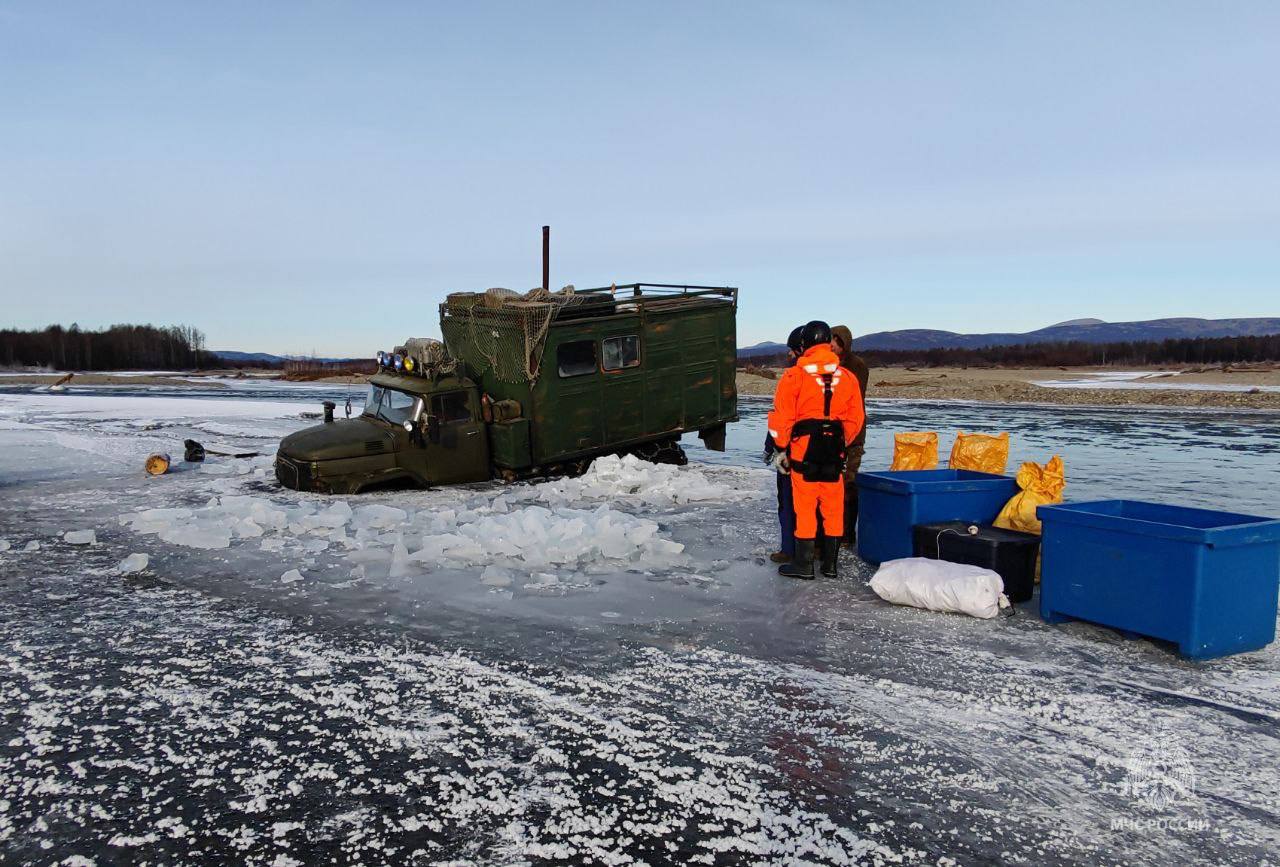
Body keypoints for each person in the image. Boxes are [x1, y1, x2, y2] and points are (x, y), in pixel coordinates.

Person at [767, 320, 865, 579]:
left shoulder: (793, 377)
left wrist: (781, 449)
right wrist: (840, 442)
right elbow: (856, 419)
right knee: (833, 507)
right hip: (834, 450)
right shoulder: (847, 377)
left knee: (806, 507)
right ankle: (830, 565)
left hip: (803, 450)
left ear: (804, 344)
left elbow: (781, 419)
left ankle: (804, 565)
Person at [765, 326, 805, 563]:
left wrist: (774, 447)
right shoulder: (838, 376)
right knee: (821, 505)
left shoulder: (792, 378)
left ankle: (790, 549)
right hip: (827, 452)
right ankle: (821, 553)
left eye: (791, 350)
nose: (788, 355)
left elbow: (780, 418)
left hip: (792, 450)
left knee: (788, 501)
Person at [830, 325, 870, 546]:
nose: (832, 345)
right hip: (831, 436)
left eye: (837, 341)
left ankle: (847, 534)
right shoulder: (827, 365)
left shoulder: (856, 366)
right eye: (831, 340)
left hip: (852, 434)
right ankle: (832, 532)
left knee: (848, 484)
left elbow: (851, 401)